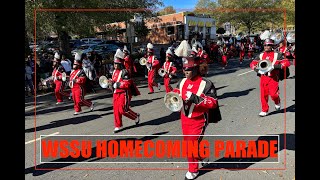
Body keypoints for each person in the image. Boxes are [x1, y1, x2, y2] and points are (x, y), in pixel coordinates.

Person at [171, 48, 222, 179]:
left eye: (189, 69)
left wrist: (196, 98)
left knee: (191, 145)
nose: (186, 72)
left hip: (199, 119)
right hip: (184, 117)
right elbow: (176, 93)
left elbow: (213, 102)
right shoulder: (181, 81)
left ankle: (193, 171)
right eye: (184, 69)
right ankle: (202, 157)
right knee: (189, 144)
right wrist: (173, 97)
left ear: (196, 69)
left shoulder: (206, 83)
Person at [249, 38, 291, 117]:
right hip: (263, 77)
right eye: (265, 45)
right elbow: (252, 63)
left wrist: (275, 66)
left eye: (268, 45)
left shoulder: (277, 54)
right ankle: (264, 110)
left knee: (273, 94)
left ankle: (277, 101)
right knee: (263, 95)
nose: (266, 46)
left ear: (272, 46)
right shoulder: (261, 55)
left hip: (273, 77)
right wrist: (256, 69)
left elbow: (287, 62)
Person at [111, 49, 140, 133]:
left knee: (123, 110)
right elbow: (114, 81)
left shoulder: (124, 72)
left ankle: (135, 116)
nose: (115, 65)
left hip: (124, 93)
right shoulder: (114, 72)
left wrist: (118, 85)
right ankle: (118, 125)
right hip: (116, 93)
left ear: (120, 64)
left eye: (116, 64)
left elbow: (127, 83)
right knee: (116, 110)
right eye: (114, 64)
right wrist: (109, 83)